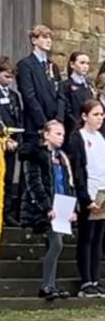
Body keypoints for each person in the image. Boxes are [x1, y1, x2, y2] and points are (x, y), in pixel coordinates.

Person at [20, 120, 76, 300]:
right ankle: (46, 285)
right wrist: (46, 206)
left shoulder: (61, 157)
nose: (61, 138)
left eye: (63, 135)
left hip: (61, 205)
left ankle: (51, 284)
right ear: (46, 134)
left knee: (55, 244)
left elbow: (67, 183)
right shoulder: (36, 155)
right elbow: (33, 182)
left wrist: (72, 208)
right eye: (57, 134)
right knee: (56, 243)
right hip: (45, 207)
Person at [68, 99, 105, 297]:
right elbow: (78, 170)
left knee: (98, 239)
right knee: (87, 238)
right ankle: (86, 280)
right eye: (95, 115)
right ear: (84, 116)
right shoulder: (78, 138)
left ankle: (95, 278)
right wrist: (84, 198)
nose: (100, 118)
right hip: (88, 195)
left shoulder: (100, 137)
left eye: (101, 115)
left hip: (102, 193)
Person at [0, 56, 23, 226]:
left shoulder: (14, 96)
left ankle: (7, 212)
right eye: (6, 76)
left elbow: (18, 119)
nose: (9, 80)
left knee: (9, 178)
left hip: (12, 143)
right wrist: (4, 139)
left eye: (11, 77)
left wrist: (17, 140)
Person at [16, 24, 65, 144]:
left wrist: (58, 120)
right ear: (34, 40)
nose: (49, 41)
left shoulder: (53, 67)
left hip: (54, 124)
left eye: (50, 38)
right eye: (44, 37)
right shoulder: (25, 65)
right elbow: (29, 96)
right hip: (35, 126)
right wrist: (44, 123)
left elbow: (61, 95)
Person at [63, 52, 94, 142]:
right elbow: (67, 110)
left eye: (87, 63)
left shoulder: (88, 85)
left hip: (89, 128)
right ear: (72, 64)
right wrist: (78, 125)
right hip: (73, 129)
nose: (85, 66)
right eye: (82, 63)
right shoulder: (66, 85)